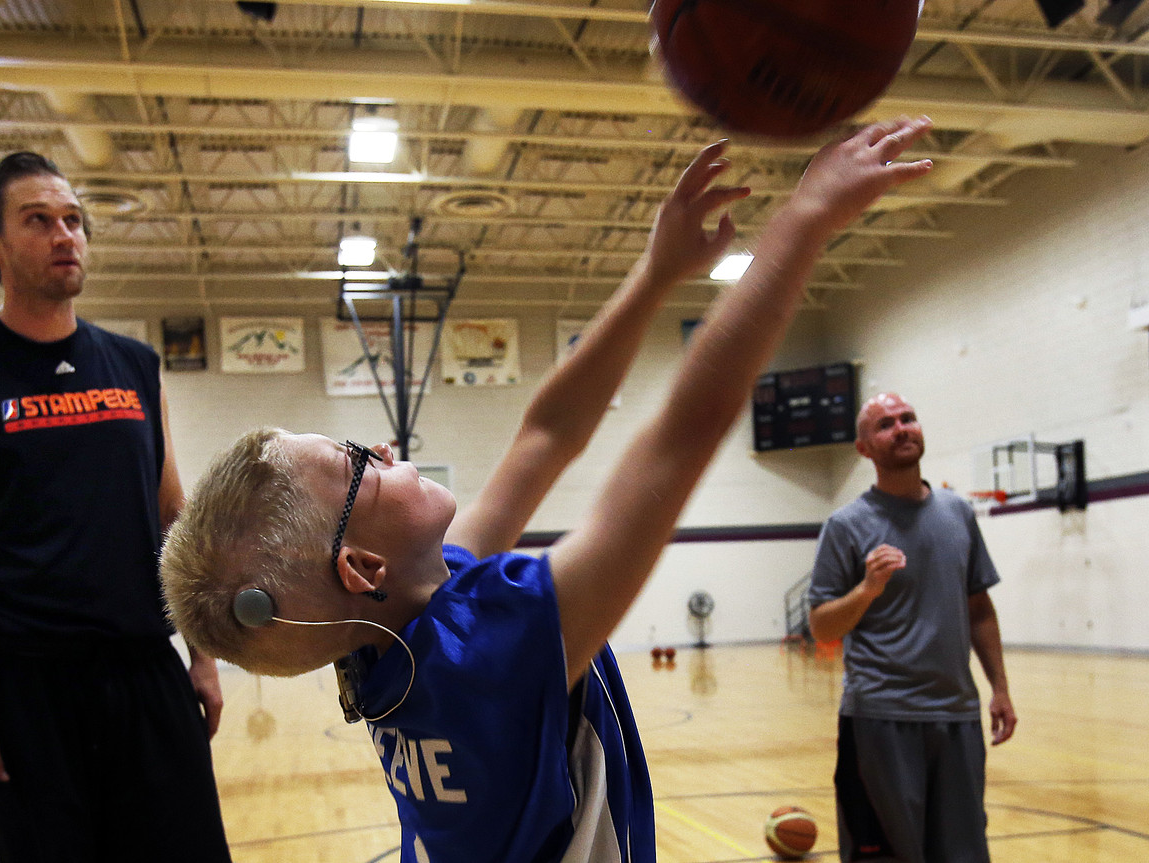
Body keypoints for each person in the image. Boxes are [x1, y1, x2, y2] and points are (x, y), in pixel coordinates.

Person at [161, 117, 936, 863]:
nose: (388, 446)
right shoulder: (483, 655)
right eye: (359, 460)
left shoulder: (404, 644)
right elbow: (681, 437)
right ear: (362, 566)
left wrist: (657, 273)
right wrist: (802, 222)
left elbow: (545, 434)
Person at [0, 152, 233, 863]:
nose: (65, 235)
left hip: (145, 671)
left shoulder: (135, 365)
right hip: (24, 691)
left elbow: (176, 513)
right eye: (39, 220)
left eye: (74, 220)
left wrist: (205, 654)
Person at [808, 392, 1018, 863]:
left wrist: (999, 688)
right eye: (885, 424)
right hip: (880, 716)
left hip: (957, 716)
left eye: (908, 419)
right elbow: (821, 626)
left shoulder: (958, 513)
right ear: (864, 449)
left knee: (964, 853)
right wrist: (867, 591)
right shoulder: (846, 525)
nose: (901, 428)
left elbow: (979, 608)